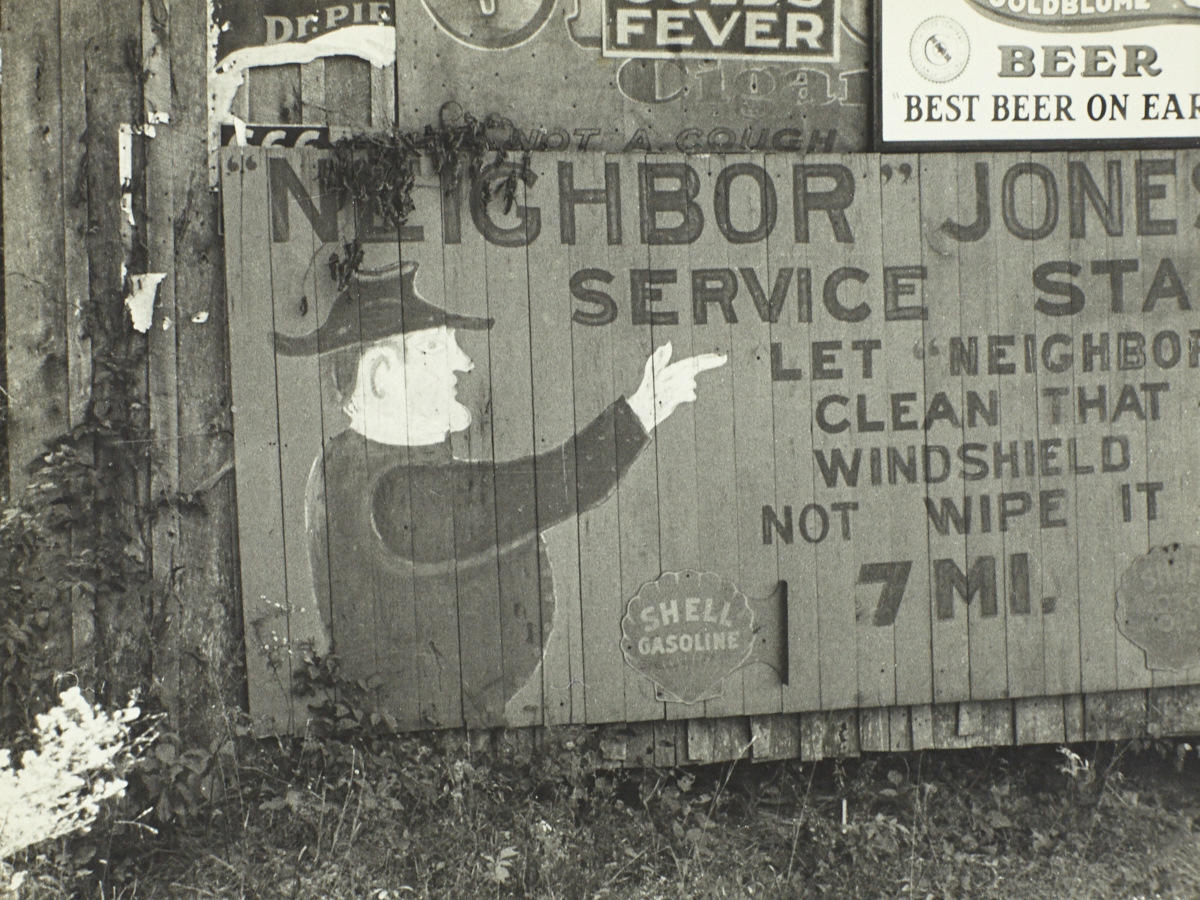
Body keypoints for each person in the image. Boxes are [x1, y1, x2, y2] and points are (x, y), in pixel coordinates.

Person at [275, 259, 725, 725]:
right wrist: (641, 411)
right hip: (432, 732)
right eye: (435, 347)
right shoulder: (392, 491)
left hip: (443, 726)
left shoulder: (349, 460)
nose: (463, 363)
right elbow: (552, 486)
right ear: (380, 377)